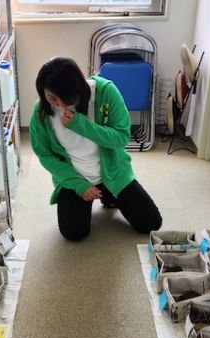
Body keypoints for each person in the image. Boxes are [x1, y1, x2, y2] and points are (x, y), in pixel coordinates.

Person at [29, 57, 163, 241]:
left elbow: (121, 138)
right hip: (75, 177)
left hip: (113, 173)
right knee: (74, 233)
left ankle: (109, 196)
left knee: (151, 223)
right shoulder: (40, 113)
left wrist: (81, 125)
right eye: (52, 98)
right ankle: (96, 196)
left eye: (66, 99)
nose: (59, 105)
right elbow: (45, 155)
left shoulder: (105, 92)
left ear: (79, 89)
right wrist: (79, 185)